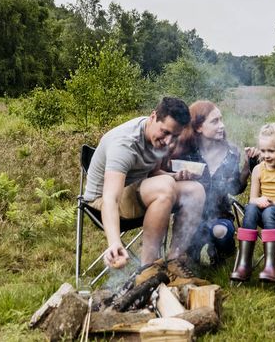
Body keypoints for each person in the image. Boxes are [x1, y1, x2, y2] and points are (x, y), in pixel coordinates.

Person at [83, 97, 204, 269]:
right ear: (153, 117)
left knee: (195, 190)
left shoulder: (157, 138)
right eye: (165, 132)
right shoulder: (125, 144)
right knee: (164, 187)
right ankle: (148, 268)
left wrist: (176, 176)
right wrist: (115, 243)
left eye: (175, 136)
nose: (169, 142)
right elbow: (110, 198)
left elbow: (153, 173)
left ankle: (175, 261)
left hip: (140, 191)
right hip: (102, 202)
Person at [163, 100, 251, 266]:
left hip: (220, 216)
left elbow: (235, 188)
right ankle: (192, 253)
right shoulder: (184, 153)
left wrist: (246, 170)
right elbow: (165, 179)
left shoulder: (231, 152)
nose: (222, 125)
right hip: (189, 218)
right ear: (198, 127)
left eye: (221, 119)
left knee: (221, 232)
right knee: (188, 262)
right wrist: (177, 178)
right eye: (215, 121)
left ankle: (221, 250)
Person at [231, 122, 275, 283]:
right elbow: (253, 199)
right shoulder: (258, 170)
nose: (266, 155)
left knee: (269, 211)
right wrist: (260, 200)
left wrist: (272, 202)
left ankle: (270, 266)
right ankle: (244, 264)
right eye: (263, 151)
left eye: (271, 151)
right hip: (261, 207)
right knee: (251, 208)